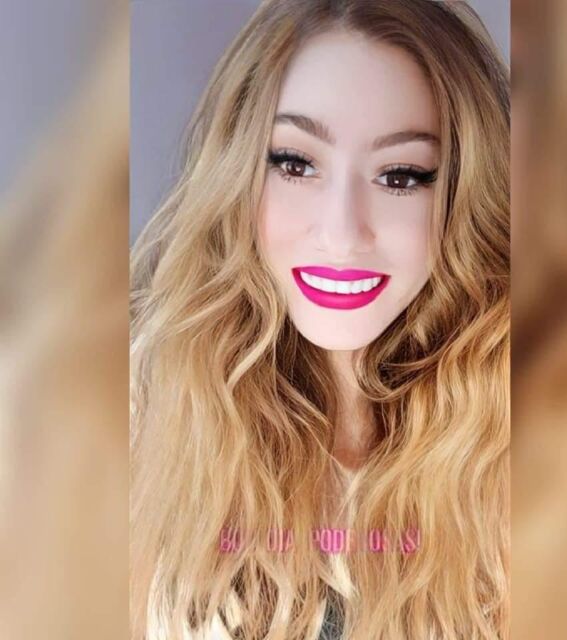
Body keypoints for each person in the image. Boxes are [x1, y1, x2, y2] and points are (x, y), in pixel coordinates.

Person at [130, 1, 509, 638]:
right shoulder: (136, 406)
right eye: (296, 164)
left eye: (401, 176)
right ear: (237, 169)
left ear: (466, 192)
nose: (342, 234)